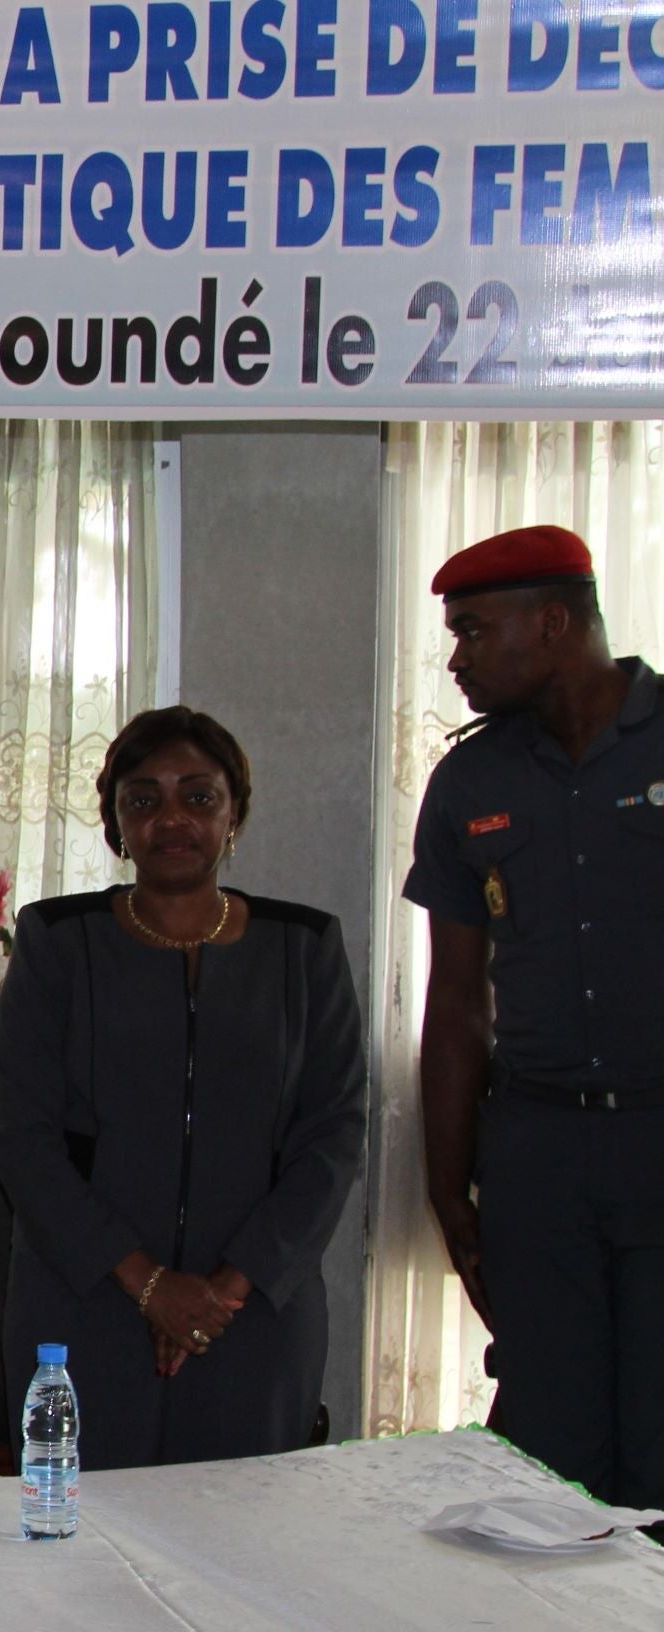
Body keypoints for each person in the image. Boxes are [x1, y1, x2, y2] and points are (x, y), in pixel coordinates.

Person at [0, 706, 365, 1468]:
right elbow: (22, 1136)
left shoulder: (304, 949)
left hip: (255, 1310)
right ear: (114, 822)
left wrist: (225, 1289)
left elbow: (332, 1134)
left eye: (197, 797)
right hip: (84, 1299)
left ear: (234, 815)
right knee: (80, 1555)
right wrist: (148, 1285)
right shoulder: (57, 942)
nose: (171, 819)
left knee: (243, 1551)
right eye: (143, 798)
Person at [404, 525, 663, 1511]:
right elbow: (456, 1003)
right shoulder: (471, 781)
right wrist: (445, 1185)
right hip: (540, 1154)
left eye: (472, 632)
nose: (455, 659)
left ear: (551, 624)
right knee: (547, 1455)